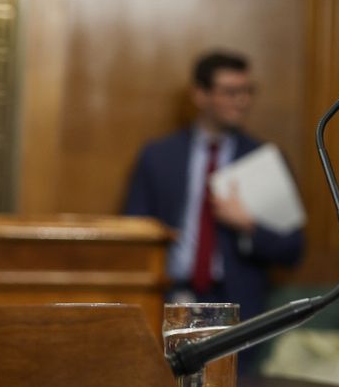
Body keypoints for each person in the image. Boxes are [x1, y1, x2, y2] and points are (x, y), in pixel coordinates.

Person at [124, 50, 304, 321]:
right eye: (231, 92)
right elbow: (133, 232)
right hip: (169, 298)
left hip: (238, 306)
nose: (242, 101)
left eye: (248, 91)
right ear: (200, 95)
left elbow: (294, 248)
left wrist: (248, 225)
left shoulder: (264, 159)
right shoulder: (158, 156)